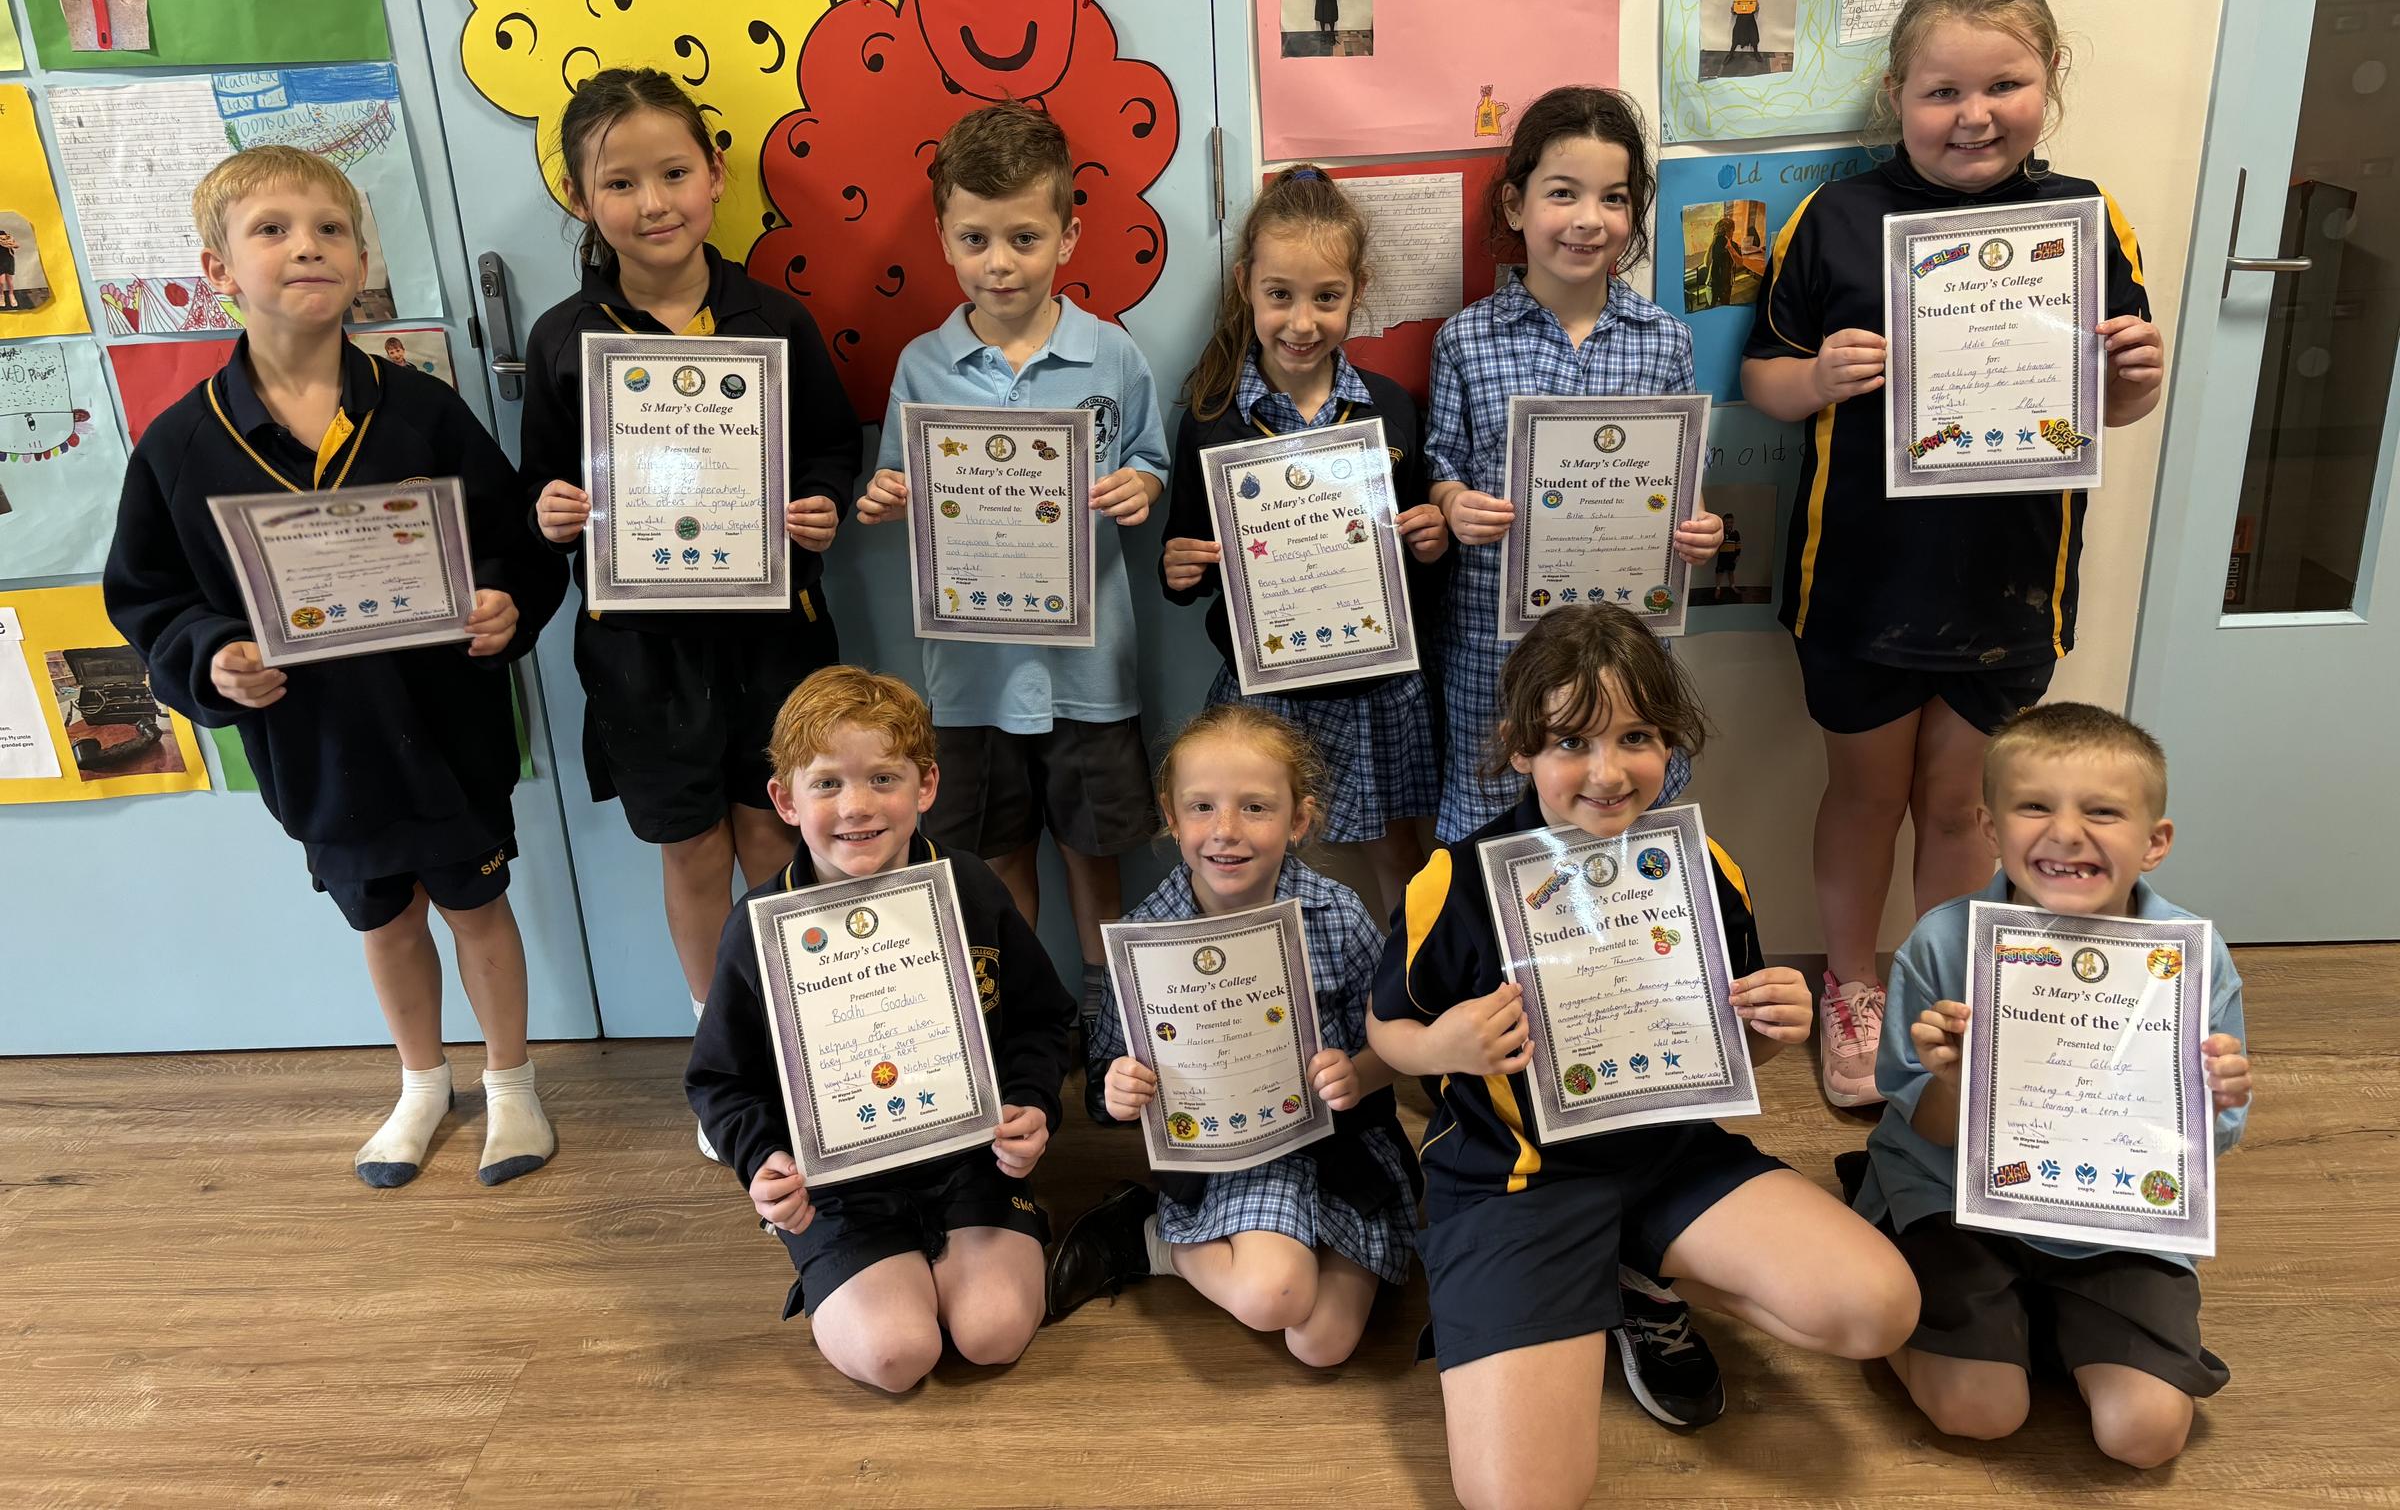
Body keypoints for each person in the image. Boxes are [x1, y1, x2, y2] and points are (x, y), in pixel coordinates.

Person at [1366, 606, 1919, 1505]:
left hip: (1667, 1159)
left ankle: (1635, 1273)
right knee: (1521, 1498)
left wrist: (1770, 1026)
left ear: (1669, 743)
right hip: (1518, 1181)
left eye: (1636, 737)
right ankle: (1568, 1281)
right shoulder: (1456, 880)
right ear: (1520, 748)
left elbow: (1732, 1053)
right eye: (1571, 742)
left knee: (1877, 1310)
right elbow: (1386, 1027)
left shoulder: (1702, 868)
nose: (1608, 771)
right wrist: (1441, 1044)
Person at [1739, 0, 2166, 1108]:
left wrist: (2137, 378)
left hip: (2010, 583)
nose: (1973, 115)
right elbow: (1764, 378)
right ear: (1897, 96)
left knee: (1962, 805)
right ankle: (1851, 985)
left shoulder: (2085, 220)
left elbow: (2116, 406)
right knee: (1864, 795)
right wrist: (1817, 378)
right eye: (1942, 92)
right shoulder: (1837, 219)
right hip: (1860, 580)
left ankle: (1940, 1002)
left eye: (2003, 85)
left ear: (2050, 79)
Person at [104, 146, 567, 1189]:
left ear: (361, 261)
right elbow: (147, 598)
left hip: (446, 727)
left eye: (330, 228)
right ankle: (420, 1084)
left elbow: (512, 543)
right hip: (318, 744)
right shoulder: (179, 445)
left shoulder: (424, 412)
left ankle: (511, 1083)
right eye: (270, 229)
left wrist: (506, 600)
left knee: (477, 907)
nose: (305, 247)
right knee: (384, 918)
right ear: (219, 269)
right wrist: (212, 658)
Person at [517, 67, 861, 1153]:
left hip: (773, 636)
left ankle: (804, 1031)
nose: (652, 202)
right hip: (641, 650)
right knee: (692, 846)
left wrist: (822, 507)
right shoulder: (565, 338)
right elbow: (540, 485)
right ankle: (727, 1054)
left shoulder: (775, 319)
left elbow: (831, 451)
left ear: (715, 175)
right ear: (581, 198)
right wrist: (553, 512)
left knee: (776, 828)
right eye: (620, 183)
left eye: (672, 173)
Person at [855, 100, 1170, 1069]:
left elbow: (1151, 462)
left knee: (1095, 856)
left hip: (1089, 670)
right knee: (991, 865)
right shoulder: (924, 365)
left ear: (1068, 237)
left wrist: (1141, 486)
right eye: (976, 239)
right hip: (970, 678)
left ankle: (1108, 1022)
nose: (1001, 263)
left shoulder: (1113, 355)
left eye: (1025, 238)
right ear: (945, 238)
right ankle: (1020, 1028)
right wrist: (887, 495)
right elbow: (899, 479)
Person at [1856, 702, 2252, 1469]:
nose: (2066, 833)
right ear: (1990, 828)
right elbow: (1923, 1125)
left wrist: (2218, 1098)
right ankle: (1926, 1307)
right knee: (1979, 1413)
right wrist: (1954, 1081)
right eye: (2035, 807)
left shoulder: (2191, 961)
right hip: (1953, 1194)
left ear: (2155, 841)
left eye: (2102, 812)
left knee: (2144, 1436)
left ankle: (2033, 1327)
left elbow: (2210, 1143)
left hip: (2118, 1219)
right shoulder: (1943, 943)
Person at [685, 667, 1078, 1393]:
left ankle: (956, 1262)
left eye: (883, 779)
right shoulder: (757, 929)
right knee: (897, 1355)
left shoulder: (969, 886)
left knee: (992, 1334)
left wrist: (1032, 1103)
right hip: (839, 1188)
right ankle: (873, 1271)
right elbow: (720, 1080)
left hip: (972, 1162)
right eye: (827, 783)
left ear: (926, 786)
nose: (857, 806)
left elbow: (1043, 1017)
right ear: (785, 800)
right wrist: (764, 1160)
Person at [1046, 705, 1419, 1366]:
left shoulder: (1336, 913)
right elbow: (1106, 1079)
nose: (1225, 831)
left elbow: (1398, 1035)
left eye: (1255, 807)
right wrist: (1120, 1087)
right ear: (1171, 816)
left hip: (1344, 1145)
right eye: (1202, 807)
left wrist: (1358, 1073)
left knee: (1323, 1344)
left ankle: (1223, 1246)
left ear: (1298, 819)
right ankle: (1153, 1238)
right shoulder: (1146, 938)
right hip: (1233, 1157)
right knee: (1273, 1297)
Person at [1428, 85, 1724, 845]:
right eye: (1563, 193)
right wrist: (1454, 501)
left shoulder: (1664, 339)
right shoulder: (1467, 338)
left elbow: (1680, 483)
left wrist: (1699, 528)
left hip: (1626, 644)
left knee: (1618, 816)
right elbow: (1441, 461)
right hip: (1495, 639)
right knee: (1492, 829)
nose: (1589, 219)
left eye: (1614, 198)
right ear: (1515, 204)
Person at [1155, 165, 1449, 916]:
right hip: (1266, 686)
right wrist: (1180, 567)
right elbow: (1186, 562)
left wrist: (1430, 540)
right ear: (1247, 287)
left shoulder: (1388, 408)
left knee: (1397, 853)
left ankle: (1406, 976)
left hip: (1374, 686)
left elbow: (1415, 555)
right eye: (1279, 295)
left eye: (1327, 298)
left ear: (1357, 291)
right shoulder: (1213, 416)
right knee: (1252, 856)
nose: (1302, 322)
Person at [1729, 0, 1761, 67]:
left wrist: (1756, 6)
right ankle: (1730, 54)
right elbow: (1733, 12)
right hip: (1740, 21)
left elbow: (1756, 10)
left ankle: (1756, 53)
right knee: (1736, 38)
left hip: (1750, 20)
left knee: (1753, 37)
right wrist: (1733, 8)